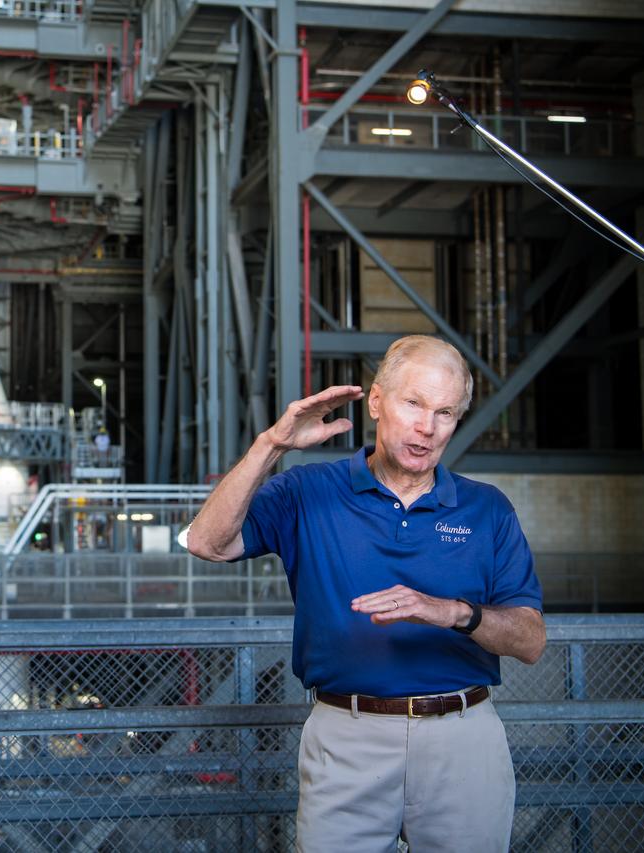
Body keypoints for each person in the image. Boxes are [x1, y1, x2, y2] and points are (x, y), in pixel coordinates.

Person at [186, 334, 545, 853]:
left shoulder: (487, 509)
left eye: (445, 412)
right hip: (346, 736)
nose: (427, 427)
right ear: (377, 401)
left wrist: (450, 612)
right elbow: (207, 542)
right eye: (413, 403)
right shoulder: (309, 491)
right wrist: (272, 446)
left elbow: (531, 641)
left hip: (463, 739)